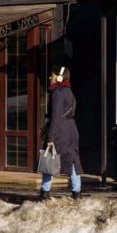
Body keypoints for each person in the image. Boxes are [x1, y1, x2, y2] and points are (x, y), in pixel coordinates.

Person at [41, 66, 82, 200]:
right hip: (71, 130)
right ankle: (76, 192)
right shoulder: (69, 91)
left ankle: (45, 192)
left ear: (59, 77)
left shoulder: (57, 93)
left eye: (52, 75)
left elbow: (56, 117)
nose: (49, 77)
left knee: (49, 158)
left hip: (60, 131)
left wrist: (50, 137)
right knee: (73, 160)